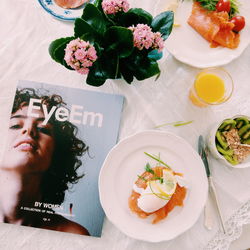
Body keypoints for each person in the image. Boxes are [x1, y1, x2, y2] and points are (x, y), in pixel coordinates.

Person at [0, 88, 90, 235]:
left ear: (57, 153)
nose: (29, 130)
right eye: (15, 125)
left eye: (43, 129)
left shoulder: (74, 234)